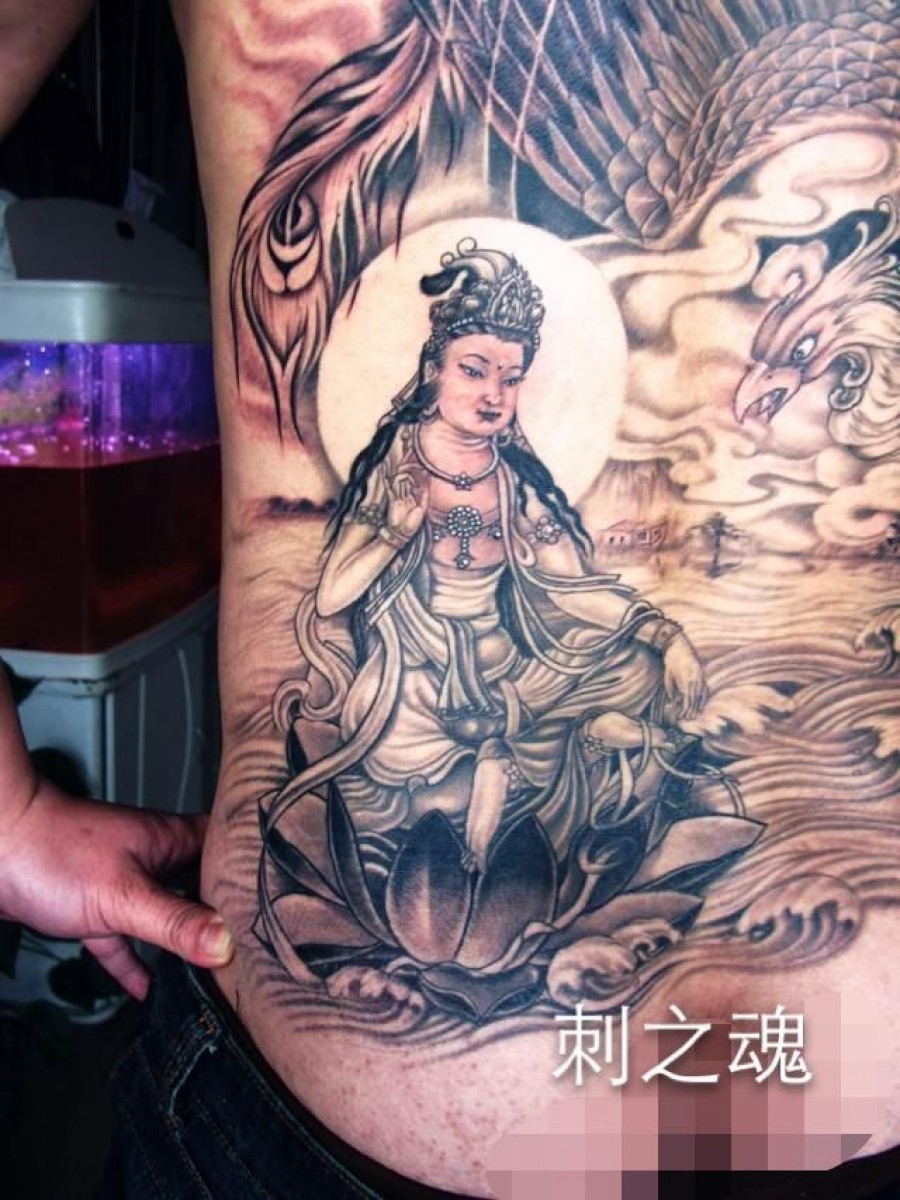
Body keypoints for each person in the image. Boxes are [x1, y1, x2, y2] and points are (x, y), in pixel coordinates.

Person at [7, 3, 900, 1198]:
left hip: (855, 1088)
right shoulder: (402, 467)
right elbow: (360, 576)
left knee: (619, 696)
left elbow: (557, 571)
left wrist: (616, 623)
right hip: (405, 761)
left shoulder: (516, 472)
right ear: (433, 366)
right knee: (449, 784)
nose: (493, 395)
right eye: (476, 369)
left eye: (510, 378)